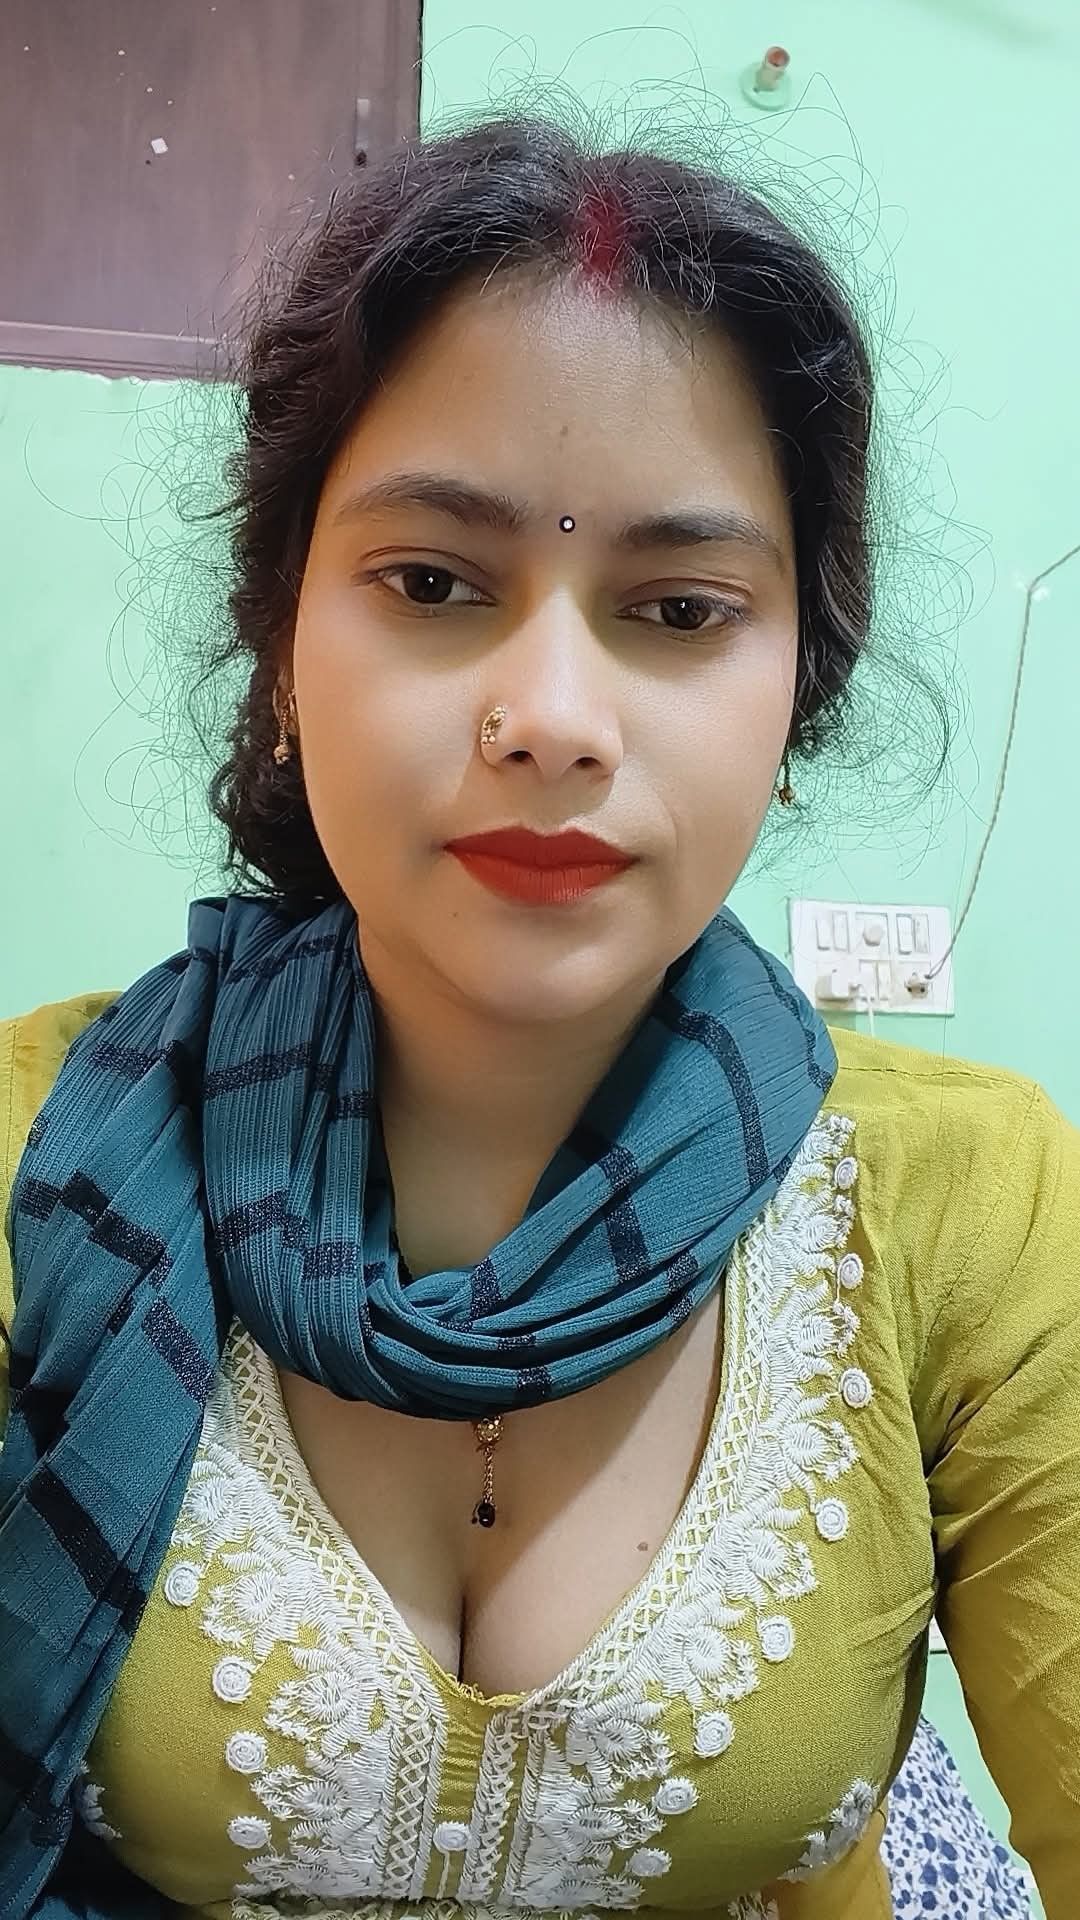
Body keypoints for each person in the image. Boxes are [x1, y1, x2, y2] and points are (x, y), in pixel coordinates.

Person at [0, 114, 1072, 1920]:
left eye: (679, 608)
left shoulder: (975, 1202)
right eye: (432, 582)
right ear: (282, 643)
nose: (555, 717)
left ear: (795, 687)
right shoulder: (48, 1146)